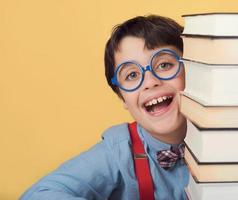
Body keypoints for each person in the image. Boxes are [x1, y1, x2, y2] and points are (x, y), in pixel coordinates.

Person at [21, 15, 189, 200]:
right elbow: (38, 195)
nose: (150, 82)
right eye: (132, 75)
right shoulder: (119, 151)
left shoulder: (225, 137)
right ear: (122, 97)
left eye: (164, 65)